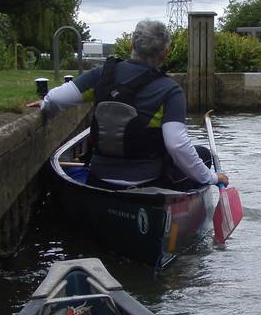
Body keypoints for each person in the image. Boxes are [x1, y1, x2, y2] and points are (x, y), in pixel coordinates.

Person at [28, 19, 229, 191]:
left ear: (132, 46)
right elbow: (176, 145)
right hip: (149, 182)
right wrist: (210, 178)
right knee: (203, 155)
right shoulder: (170, 90)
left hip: (99, 177)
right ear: (165, 54)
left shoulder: (102, 74)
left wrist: (45, 104)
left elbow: (56, 100)